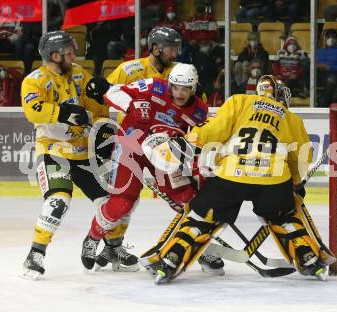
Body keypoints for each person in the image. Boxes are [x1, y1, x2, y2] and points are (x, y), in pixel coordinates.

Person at [141, 75, 332, 284]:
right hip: (274, 180)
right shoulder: (291, 118)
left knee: (201, 216)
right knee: (285, 215)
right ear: (278, 94)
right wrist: (295, 183)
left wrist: (181, 144)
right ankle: (308, 256)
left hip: (232, 175)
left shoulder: (239, 101)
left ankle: (173, 256)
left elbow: (212, 130)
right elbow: (303, 159)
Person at [99, 26, 225, 274]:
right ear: (156, 47)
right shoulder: (131, 69)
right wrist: (104, 127)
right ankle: (112, 245)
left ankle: (197, 246)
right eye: (171, 48)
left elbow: (196, 122)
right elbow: (106, 92)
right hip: (133, 146)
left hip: (165, 153)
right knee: (126, 201)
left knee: (186, 198)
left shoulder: (178, 73)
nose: (175, 52)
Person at [20, 30, 112, 280]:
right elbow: (33, 111)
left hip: (83, 152)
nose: (74, 56)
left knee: (109, 203)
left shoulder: (80, 74)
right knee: (58, 200)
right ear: (55, 55)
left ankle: (113, 249)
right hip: (53, 151)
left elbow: (97, 109)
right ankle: (35, 253)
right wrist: (64, 113)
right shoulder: (34, 80)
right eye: (69, 52)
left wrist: (101, 102)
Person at [316, 29, 337, 108]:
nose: (331, 39)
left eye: (333, 37)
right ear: (325, 39)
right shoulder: (319, 51)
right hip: (317, 73)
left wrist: (328, 67)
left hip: (334, 74)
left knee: (330, 79)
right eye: (328, 37)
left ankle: (323, 105)